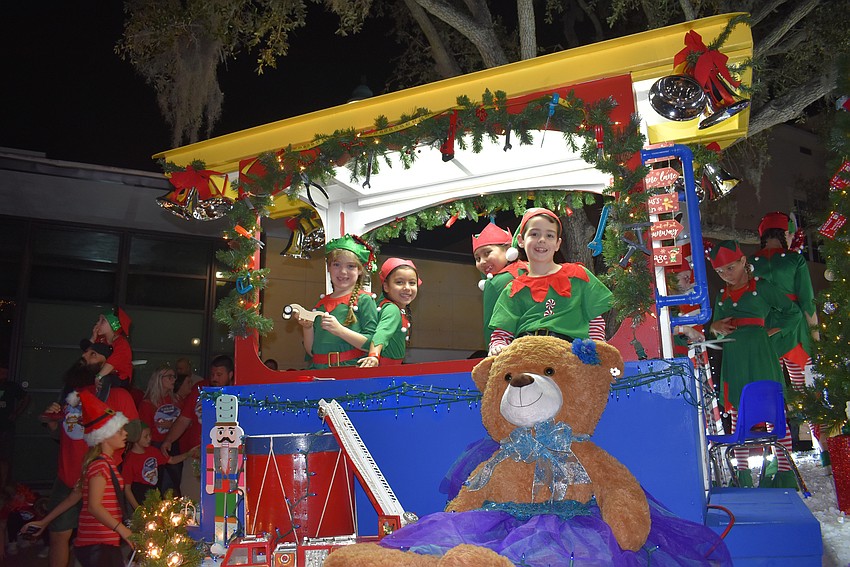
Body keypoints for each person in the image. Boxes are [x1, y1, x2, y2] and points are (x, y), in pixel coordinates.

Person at [708, 240, 802, 488]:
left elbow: (792, 312)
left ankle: (784, 473)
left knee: (774, 412)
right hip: (734, 359)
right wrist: (715, 326)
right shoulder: (721, 296)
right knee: (738, 414)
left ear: (743, 261)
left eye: (730, 268)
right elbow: (714, 329)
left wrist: (772, 331)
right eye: (720, 271)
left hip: (761, 357)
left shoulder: (762, 287)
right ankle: (743, 475)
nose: (726, 275)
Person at [41, 346, 138, 567]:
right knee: (60, 536)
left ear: (107, 363)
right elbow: (65, 435)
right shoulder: (71, 394)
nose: (84, 357)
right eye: (85, 353)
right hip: (67, 477)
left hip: (100, 479)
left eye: (92, 354)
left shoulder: (117, 394)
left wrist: (110, 422)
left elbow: (134, 433)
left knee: (99, 543)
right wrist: (53, 423)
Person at [487, 208, 613, 356]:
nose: (542, 240)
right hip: (526, 353)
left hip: (568, 354)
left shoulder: (578, 275)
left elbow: (595, 321)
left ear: (558, 243)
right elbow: (502, 333)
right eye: (534, 234)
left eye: (550, 235)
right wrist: (498, 345)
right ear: (521, 240)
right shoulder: (513, 289)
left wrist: (596, 348)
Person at [752, 212, 818, 391]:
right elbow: (808, 301)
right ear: (785, 234)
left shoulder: (748, 263)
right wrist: (815, 338)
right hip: (795, 329)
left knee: (769, 386)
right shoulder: (795, 259)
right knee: (805, 385)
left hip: (764, 328)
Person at [291, 235, 379, 369]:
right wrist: (307, 328)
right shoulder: (321, 304)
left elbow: (372, 344)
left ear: (360, 270)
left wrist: (340, 330)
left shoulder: (364, 300)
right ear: (328, 267)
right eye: (336, 264)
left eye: (351, 266)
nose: (343, 271)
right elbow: (312, 352)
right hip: (319, 372)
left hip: (349, 372)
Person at [70, 389, 134, 567]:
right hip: (97, 543)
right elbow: (94, 506)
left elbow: (74, 497)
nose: (125, 434)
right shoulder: (100, 465)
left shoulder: (107, 463)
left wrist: (44, 521)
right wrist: (123, 530)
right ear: (104, 437)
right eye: (119, 431)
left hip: (104, 542)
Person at [160, 355, 235, 502]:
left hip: (226, 456)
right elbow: (184, 419)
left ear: (230, 374)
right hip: (195, 454)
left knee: (222, 500)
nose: (214, 378)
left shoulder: (238, 391)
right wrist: (169, 440)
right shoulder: (200, 389)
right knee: (190, 497)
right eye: (212, 374)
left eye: (219, 374)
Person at [472, 223, 527, 345]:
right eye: (477, 259)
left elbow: (490, 327)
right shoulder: (531, 269)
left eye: (487, 253)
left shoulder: (495, 283)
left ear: (508, 249)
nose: (482, 262)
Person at [122, 422, 197, 509]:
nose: (149, 438)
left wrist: (188, 454)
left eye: (150, 435)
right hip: (140, 496)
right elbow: (127, 488)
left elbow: (171, 460)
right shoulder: (130, 460)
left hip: (156, 493)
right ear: (135, 438)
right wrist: (138, 508)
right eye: (145, 436)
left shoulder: (152, 451)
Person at [361, 259, 421, 367]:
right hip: (385, 370)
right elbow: (383, 332)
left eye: (412, 283)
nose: (407, 288)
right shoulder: (392, 309)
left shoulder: (387, 305)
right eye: (399, 282)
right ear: (386, 286)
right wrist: (374, 355)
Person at [138, 365, 182, 495]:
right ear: (159, 379)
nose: (173, 380)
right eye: (170, 377)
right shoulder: (147, 403)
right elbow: (144, 430)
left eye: (174, 376)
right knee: (157, 485)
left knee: (173, 486)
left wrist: (172, 426)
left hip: (174, 445)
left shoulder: (177, 400)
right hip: (154, 446)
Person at [86, 308, 133, 388]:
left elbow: (112, 363)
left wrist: (99, 376)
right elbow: (88, 357)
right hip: (105, 373)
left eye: (103, 321)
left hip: (120, 378)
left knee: (105, 380)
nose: (97, 323)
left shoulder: (121, 343)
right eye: (98, 320)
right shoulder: (101, 340)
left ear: (113, 325)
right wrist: (93, 338)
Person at [0, 364, 30, 488]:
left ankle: (2, 486)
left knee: (4, 458)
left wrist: (16, 413)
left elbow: (26, 397)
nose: (4, 376)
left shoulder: (11, 386)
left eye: (6, 373)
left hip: (6, 426)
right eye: (2, 372)